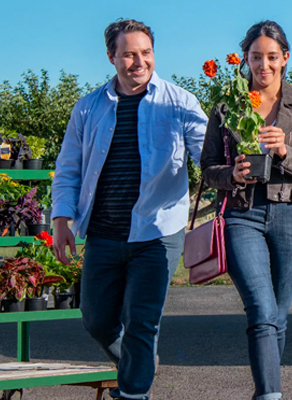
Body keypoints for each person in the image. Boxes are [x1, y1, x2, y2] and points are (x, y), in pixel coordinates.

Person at [51, 19, 207, 400]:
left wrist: (240, 158)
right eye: (129, 54)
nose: (139, 62)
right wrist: (60, 219)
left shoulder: (180, 102)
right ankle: (138, 368)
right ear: (111, 57)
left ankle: (134, 393)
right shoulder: (88, 108)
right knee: (97, 320)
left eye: (146, 53)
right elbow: (68, 167)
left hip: (158, 231)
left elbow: (210, 154)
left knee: (141, 322)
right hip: (104, 232)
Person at [200, 20, 292, 400]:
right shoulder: (226, 107)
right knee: (260, 308)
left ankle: (265, 390)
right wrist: (231, 173)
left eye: (272, 57)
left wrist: (286, 151)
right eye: (257, 57)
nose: (264, 65)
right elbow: (207, 168)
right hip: (243, 214)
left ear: (285, 58)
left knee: (277, 315)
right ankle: (271, 396)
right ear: (247, 60)